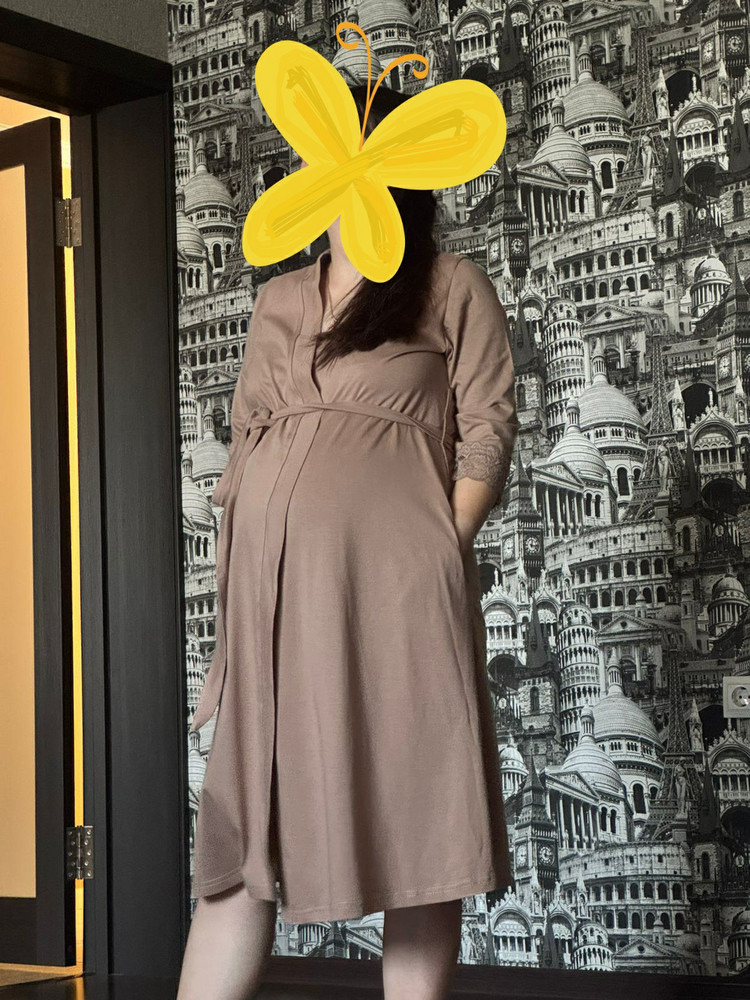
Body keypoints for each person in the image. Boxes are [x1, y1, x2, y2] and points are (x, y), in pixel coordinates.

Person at [177, 82, 518, 1000]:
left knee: (419, 830)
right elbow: (246, 444)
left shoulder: (450, 287)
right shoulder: (278, 300)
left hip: (394, 597)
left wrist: (437, 553)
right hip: (270, 604)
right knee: (239, 846)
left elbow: (487, 430)